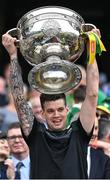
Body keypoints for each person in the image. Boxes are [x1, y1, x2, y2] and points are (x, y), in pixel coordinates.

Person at [2, 26, 100, 178]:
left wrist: (91, 50)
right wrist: (13, 56)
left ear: (67, 110)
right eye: (51, 111)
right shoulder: (36, 134)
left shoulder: (79, 133)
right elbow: (19, 97)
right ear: (42, 113)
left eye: (60, 109)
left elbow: (92, 94)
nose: (56, 115)